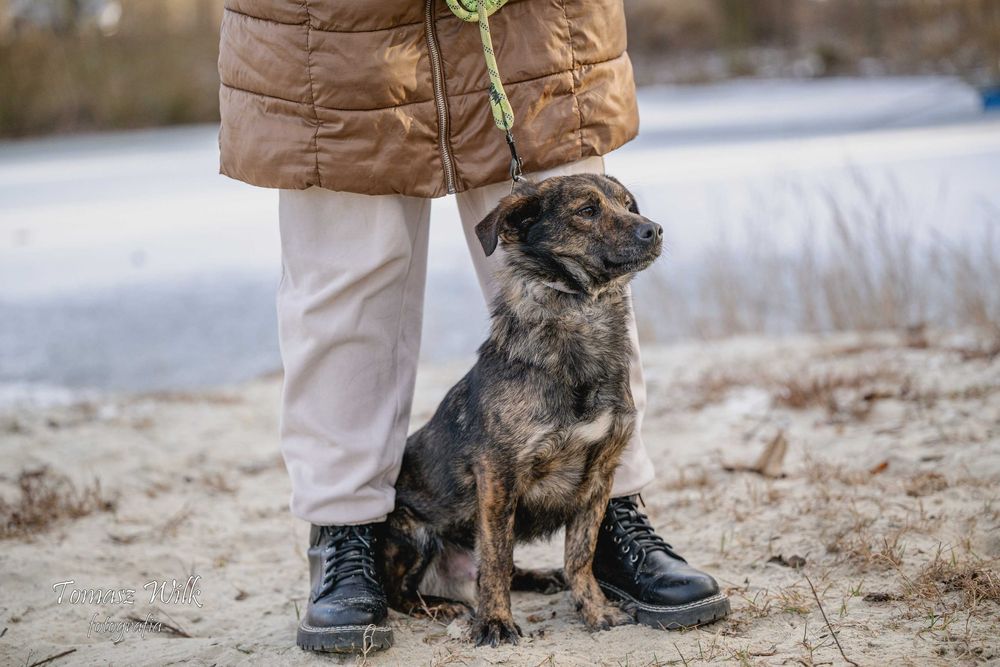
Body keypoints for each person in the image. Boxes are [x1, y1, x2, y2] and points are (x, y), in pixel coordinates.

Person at [217, 0, 728, 653]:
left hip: (528, 20)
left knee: (582, 260)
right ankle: (345, 534)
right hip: (331, 27)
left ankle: (609, 520)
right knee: (344, 270)